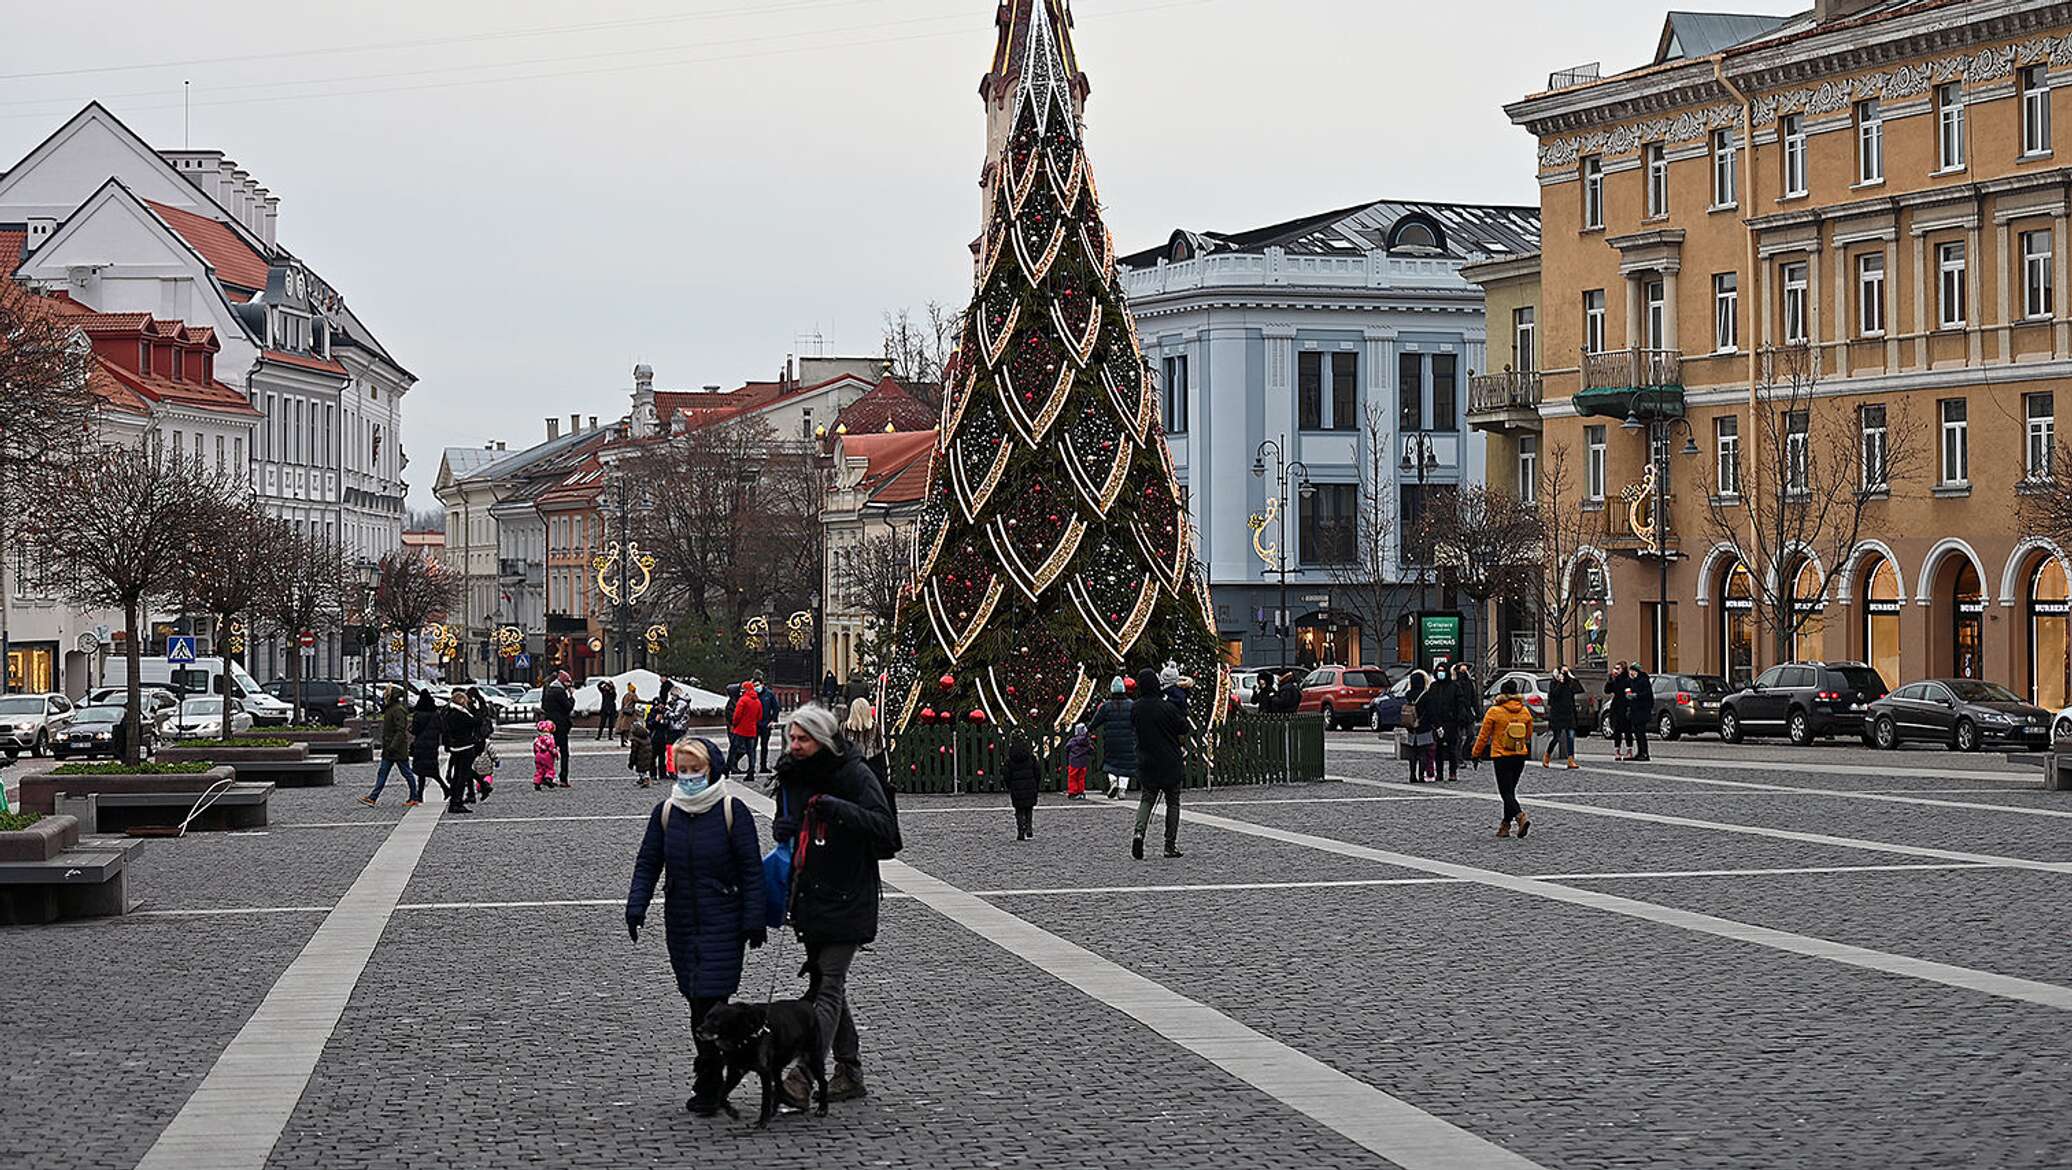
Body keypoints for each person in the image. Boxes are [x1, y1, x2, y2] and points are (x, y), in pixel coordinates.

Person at [625, 736, 764, 1118]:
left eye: (695, 770)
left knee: (709, 1000)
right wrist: (636, 906)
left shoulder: (732, 811)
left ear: (711, 770)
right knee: (696, 1001)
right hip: (682, 922)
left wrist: (753, 919)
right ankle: (718, 1071)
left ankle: (709, 1081)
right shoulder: (666, 812)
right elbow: (648, 862)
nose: (688, 777)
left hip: (724, 919)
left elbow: (752, 869)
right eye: (682, 770)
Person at [770, 704, 899, 1107]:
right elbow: (785, 825)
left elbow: (886, 831)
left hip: (849, 893)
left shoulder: (854, 774)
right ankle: (850, 1069)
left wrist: (837, 809)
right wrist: (784, 826)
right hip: (808, 895)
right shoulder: (791, 776)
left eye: (803, 739)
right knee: (827, 986)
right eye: (792, 738)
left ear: (823, 740)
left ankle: (804, 1074)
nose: (795, 746)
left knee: (827, 985)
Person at [1130, 667, 1191, 859]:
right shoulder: (1167, 707)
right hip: (1170, 760)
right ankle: (1169, 845)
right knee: (1173, 802)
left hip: (1147, 759)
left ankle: (1139, 833)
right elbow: (1183, 727)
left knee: (1147, 799)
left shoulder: (1136, 707)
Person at [1472, 677, 1536, 838]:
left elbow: (1483, 736)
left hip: (1501, 756)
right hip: (1520, 755)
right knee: (1510, 792)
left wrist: (1475, 753)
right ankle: (1505, 827)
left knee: (1505, 793)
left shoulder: (1494, 711)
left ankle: (1520, 817)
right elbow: (1528, 735)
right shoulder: (1524, 711)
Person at [362, 686, 420, 807]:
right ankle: (373, 797)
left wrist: (393, 746)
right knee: (383, 773)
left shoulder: (397, 710)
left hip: (396, 748)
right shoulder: (392, 708)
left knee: (406, 773)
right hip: (390, 747)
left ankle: (414, 797)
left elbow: (400, 730)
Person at [1095, 677, 1136, 800]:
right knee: (1126, 765)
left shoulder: (1106, 706)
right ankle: (1122, 789)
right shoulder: (1131, 705)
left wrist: (1087, 729)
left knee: (1111, 763)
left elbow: (1096, 721)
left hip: (1111, 740)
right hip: (1128, 740)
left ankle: (1113, 782)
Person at [441, 690, 479, 814]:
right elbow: (476, 722)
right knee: (461, 777)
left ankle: (455, 801)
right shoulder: (460, 714)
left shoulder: (450, 712)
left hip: (456, 747)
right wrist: (478, 709)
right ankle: (456, 802)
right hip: (464, 747)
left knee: (458, 775)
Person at [1425, 662, 1461, 782]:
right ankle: (1439, 773)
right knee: (1438, 750)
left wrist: (1457, 719)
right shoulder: (1433, 686)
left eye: (1443, 671)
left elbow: (1459, 704)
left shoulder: (1454, 686)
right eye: (1439, 671)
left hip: (1451, 722)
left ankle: (1452, 772)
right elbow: (1430, 704)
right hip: (1437, 722)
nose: (1441, 673)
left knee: (1452, 749)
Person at [1544, 666, 1583, 769]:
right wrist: (1560, 682)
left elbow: (1579, 689)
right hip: (1557, 714)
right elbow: (1555, 695)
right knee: (1556, 737)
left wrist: (1571, 677)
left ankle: (1571, 760)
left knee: (1570, 736)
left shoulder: (1569, 683)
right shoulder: (1554, 684)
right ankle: (1547, 755)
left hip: (1569, 714)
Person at [1402, 670, 1438, 782]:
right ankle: (1421, 775)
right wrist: (1435, 724)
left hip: (1411, 727)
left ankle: (1412, 775)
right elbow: (1431, 712)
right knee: (1423, 752)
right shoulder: (1426, 695)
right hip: (1424, 727)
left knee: (1412, 753)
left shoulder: (1408, 695)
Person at [1004, 734, 1041, 840]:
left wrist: (1009, 786)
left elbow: (1007, 774)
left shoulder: (1009, 760)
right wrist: (1036, 783)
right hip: (1030, 785)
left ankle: (1020, 831)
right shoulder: (1031, 758)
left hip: (1016, 787)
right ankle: (1029, 827)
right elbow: (1037, 771)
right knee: (1029, 808)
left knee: (1019, 810)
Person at [409, 689, 444, 801]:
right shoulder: (436, 714)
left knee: (421, 771)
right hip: (432, 745)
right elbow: (441, 728)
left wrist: (410, 729)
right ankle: (420, 795)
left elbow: (415, 730)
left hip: (421, 745)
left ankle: (421, 794)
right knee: (431, 770)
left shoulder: (418, 714)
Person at [542, 670, 575, 784]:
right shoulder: (560, 692)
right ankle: (563, 778)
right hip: (560, 726)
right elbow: (568, 707)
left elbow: (543, 706)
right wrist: (571, 697)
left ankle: (547, 776)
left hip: (549, 726)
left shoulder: (548, 690)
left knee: (548, 751)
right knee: (564, 752)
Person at [727, 679, 763, 781]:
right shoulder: (757, 701)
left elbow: (737, 716)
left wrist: (735, 724)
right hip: (752, 730)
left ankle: (726, 771)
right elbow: (759, 717)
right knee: (751, 752)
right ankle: (751, 773)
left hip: (740, 729)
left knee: (733, 751)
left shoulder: (743, 700)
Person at [844, 696, 884, 785]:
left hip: (850, 768)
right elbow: (879, 750)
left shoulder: (844, 728)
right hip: (871, 769)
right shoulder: (874, 728)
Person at [469, 687, 498, 800]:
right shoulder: (482, 705)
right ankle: (482, 784)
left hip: (472, 740)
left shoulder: (471, 709)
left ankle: (477, 788)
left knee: (467, 768)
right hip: (481, 738)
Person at [1451, 663, 1481, 773]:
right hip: (1458, 714)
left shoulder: (1469, 683)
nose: (1464, 671)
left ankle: (1464, 753)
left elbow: (1474, 699)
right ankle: (1459, 759)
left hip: (1468, 714)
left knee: (1471, 735)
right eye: (1462, 669)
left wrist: (1478, 713)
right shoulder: (1454, 683)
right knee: (1458, 738)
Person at [1624, 662, 1654, 762]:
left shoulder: (1643, 680)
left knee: (1641, 732)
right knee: (1636, 732)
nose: (1631, 673)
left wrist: (1636, 695)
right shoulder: (1632, 681)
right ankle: (1640, 752)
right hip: (1634, 710)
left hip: (1642, 710)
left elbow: (1647, 694)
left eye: (1632, 671)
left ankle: (1645, 753)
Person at [1605, 662, 1632, 761]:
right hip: (1616, 706)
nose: (1616, 670)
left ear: (1623, 669)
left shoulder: (1627, 680)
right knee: (1617, 730)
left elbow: (1628, 692)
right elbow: (1607, 690)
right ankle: (1617, 751)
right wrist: (1610, 680)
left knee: (1627, 730)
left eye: (1618, 668)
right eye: (1615, 668)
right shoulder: (1614, 680)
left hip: (1625, 706)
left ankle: (1629, 750)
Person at [756, 674, 782, 773]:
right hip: (755, 724)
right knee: (751, 746)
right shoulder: (753, 694)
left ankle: (763, 766)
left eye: (757, 685)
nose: (756, 687)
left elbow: (776, 708)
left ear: (762, 684)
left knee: (764, 746)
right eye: (754, 685)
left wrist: (773, 720)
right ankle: (752, 766)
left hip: (766, 723)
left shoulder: (769, 694)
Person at [1064, 722, 1092, 801]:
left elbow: (1066, 748)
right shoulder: (1087, 741)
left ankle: (1073, 792)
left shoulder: (1073, 741)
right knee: (1081, 778)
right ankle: (1080, 792)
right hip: (1083, 763)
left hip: (1074, 761)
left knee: (1072, 777)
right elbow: (1092, 749)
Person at [627, 713, 656, 786]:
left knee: (641, 770)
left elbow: (633, 752)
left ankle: (645, 779)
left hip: (640, 758)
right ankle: (641, 779)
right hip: (647, 757)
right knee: (644, 769)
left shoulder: (636, 740)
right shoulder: (646, 737)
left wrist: (631, 762)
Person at [532, 719, 560, 792]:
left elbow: (535, 748)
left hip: (538, 755)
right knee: (549, 769)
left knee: (539, 770)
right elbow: (551, 748)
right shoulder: (550, 738)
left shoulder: (538, 739)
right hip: (548, 755)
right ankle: (548, 779)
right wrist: (556, 754)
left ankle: (537, 782)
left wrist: (536, 754)